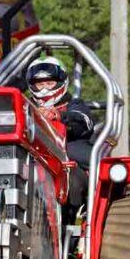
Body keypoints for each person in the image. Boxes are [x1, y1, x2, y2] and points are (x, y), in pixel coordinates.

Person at [26, 56, 94, 221]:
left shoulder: (75, 106)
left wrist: (58, 115)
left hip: (69, 169)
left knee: (73, 182)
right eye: (40, 84)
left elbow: (82, 122)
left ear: (61, 82)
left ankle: (69, 229)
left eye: (49, 83)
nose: (44, 89)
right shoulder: (25, 108)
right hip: (31, 166)